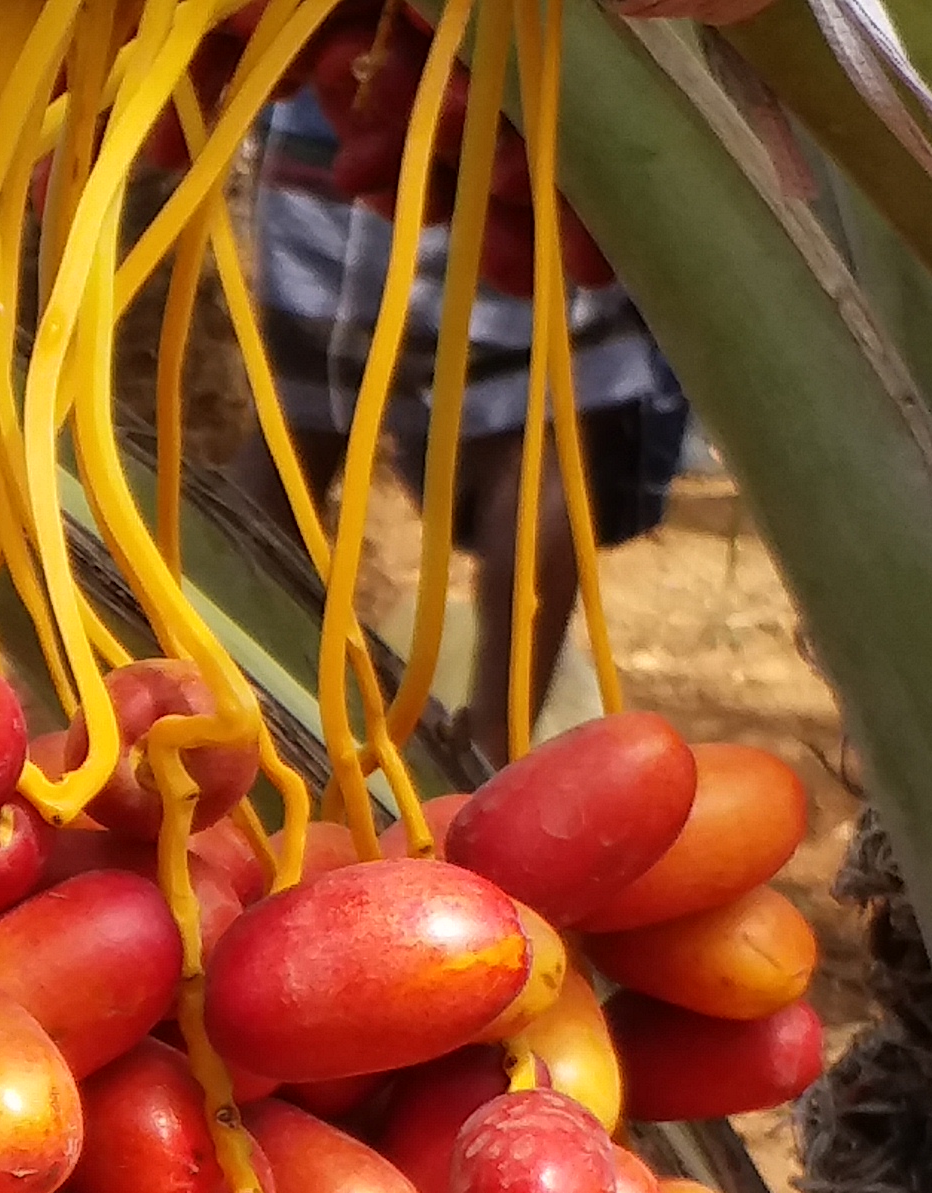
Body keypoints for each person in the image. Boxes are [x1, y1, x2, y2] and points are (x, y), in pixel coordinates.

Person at [252, 83, 696, 735]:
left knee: (292, 437)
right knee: (539, 442)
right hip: (517, 124)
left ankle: (243, 702)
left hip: (335, 118)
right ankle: (490, 756)